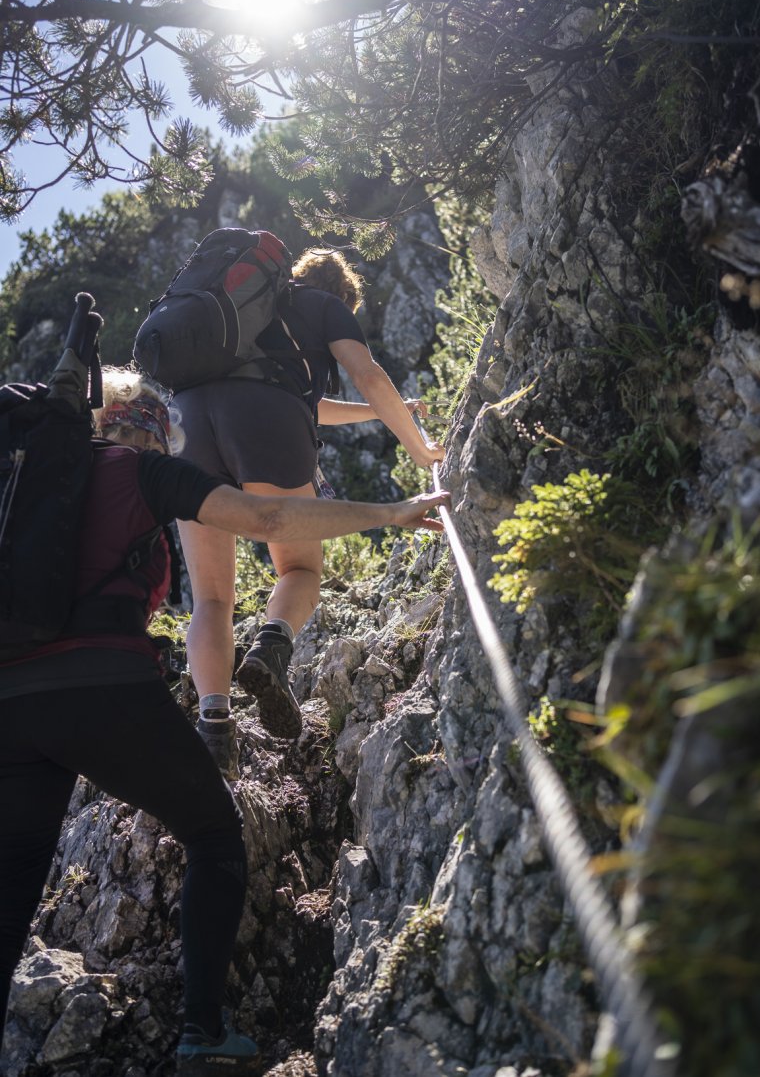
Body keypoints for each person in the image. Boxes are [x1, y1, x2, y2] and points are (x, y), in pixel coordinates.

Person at [0, 369, 448, 1074]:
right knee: (212, 832)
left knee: (12, 885)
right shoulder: (142, 472)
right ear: (141, 422)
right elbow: (270, 520)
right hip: (102, 684)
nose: (158, 429)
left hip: (11, 700)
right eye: (155, 420)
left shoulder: (25, 487)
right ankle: (203, 1030)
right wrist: (388, 512)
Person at [171, 247, 445, 773]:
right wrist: (419, 447)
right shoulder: (325, 304)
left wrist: (384, 414)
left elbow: (312, 402)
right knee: (299, 566)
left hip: (186, 425)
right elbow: (366, 374)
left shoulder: (245, 315)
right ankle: (271, 649)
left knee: (210, 595)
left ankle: (214, 725)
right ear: (345, 293)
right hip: (263, 418)